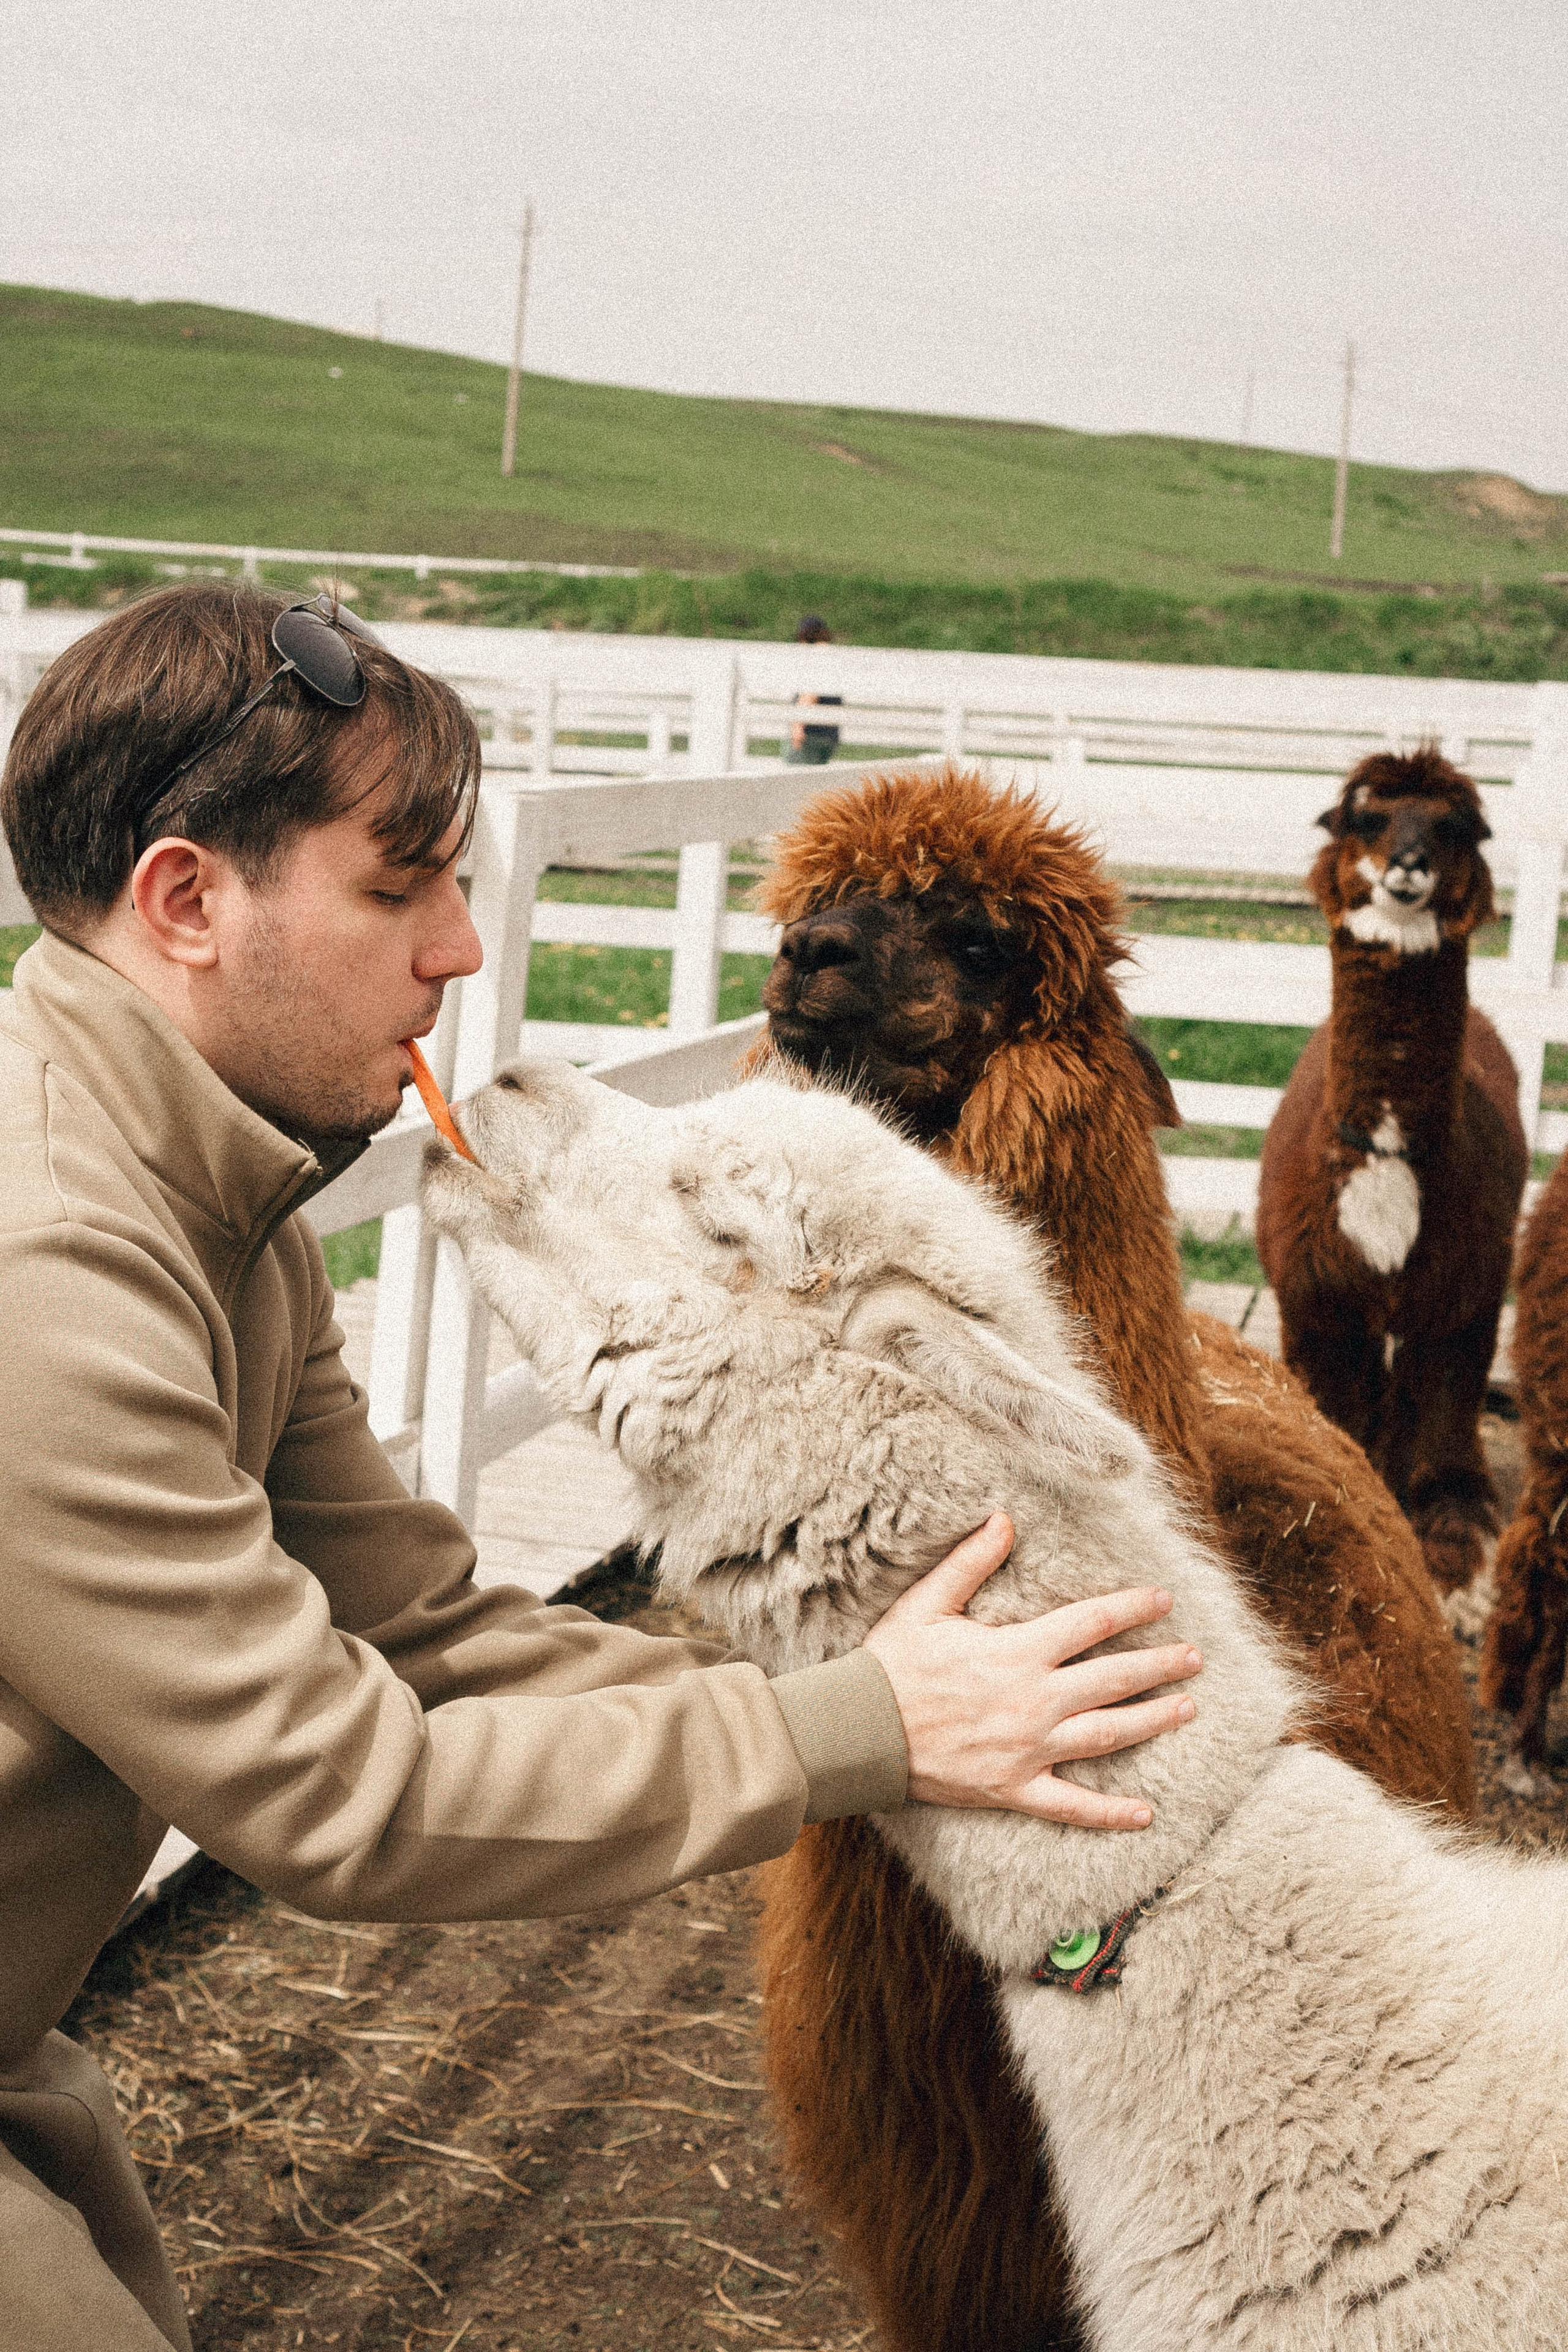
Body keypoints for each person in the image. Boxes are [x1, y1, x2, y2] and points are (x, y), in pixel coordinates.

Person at [0, 584, 1201, 2350]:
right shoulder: (54, 1272)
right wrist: (856, 1734)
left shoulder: (226, 1214)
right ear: (189, 901)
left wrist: (882, 1718)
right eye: (399, 888)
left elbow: (426, 1630)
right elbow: (345, 1795)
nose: (462, 952)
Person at [784, 612, 842, 763]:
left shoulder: (817, 656)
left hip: (810, 734)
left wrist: (798, 726)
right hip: (828, 735)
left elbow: (810, 692)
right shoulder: (832, 657)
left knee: (796, 781)